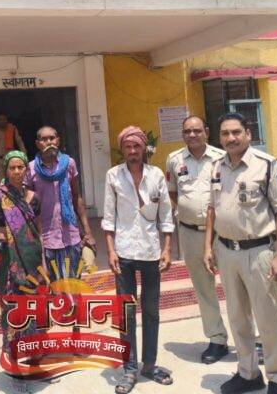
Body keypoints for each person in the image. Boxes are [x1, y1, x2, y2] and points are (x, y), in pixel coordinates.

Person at [204, 113, 277, 394]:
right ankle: (248, 373)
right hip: (226, 251)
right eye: (225, 133)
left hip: (259, 252)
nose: (231, 138)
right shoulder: (216, 167)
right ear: (219, 138)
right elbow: (212, 209)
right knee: (238, 317)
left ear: (248, 134)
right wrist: (208, 246)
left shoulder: (266, 165)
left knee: (267, 319)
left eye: (236, 132)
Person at [102, 126, 175, 394]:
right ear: (123, 150)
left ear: (144, 148)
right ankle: (130, 369)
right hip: (123, 253)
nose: (132, 151)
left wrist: (167, 249)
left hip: (151, 252)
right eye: (128, 147)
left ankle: (149, 364)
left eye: (137, 146)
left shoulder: (156, 176)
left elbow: (166, 215)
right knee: (127, 313)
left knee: (151, 310)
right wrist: (110, 251)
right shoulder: (113, 175)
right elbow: (108, 217)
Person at [166, 116, 230, 363]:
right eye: (187, 131)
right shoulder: (174, 159)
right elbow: (172, 193)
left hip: (223, 232)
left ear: (206, 131)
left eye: (196, 130)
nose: (192, 135)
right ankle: (217, 339)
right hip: (191, 233)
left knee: (236, 287)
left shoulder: (221, 157)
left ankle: (252, 339)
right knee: (204, 288)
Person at [0, 150, 42, 393]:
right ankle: (15, 371)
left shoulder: (34, 198)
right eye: (12, 168)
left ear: (26, 170)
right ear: (5, 170)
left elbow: (37, 233)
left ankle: (33, 366)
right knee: (12, 318)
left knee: (33, 316)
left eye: (21, 167)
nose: (17, 171)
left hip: (31, 266)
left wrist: (43, 266)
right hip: (7, 266)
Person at [26, 125, 95, 281]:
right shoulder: (30, 169)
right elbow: (27, 207)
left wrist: (88, 232)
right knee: (52, 287)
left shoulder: (69, 164)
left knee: (73, 284)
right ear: (38, 144)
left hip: (70, 236)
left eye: (52, 138)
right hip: (45, 240)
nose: (49, 142)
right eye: (44, 139)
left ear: (57, 140)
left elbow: (76, 198)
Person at [0, 113, 27, 185]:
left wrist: (24, 155)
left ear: (7, 120)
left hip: (11, 159)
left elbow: (19, 142)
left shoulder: (13, 128)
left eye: (3, 119)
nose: (2, 121)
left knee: (13, 179)